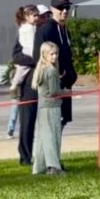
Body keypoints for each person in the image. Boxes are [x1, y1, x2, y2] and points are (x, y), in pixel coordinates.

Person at [35, 0, 77, 127]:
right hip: (52, 85)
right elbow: (38, 56)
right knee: (53, 123)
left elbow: (67, 55)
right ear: (52, 9)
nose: (64, 11)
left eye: (67, 8)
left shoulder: (65, 30)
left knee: (62, 120)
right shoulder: (46, 29)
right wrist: (53, 75)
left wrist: (71, 74)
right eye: (60, 8)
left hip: (65, 84)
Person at [31, 41, 66, 176]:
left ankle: (39, 167)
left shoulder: (41, 69)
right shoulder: (51, 70)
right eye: (52, 54)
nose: (55, 56)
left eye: (56, 53)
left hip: (42, 108)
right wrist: (67, 92)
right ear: (44, 55)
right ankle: (54, 167)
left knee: (42, 138)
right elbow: (54, 91)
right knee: (52, 138)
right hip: (52, 108)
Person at [6, 5, 39, 139]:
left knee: (22, 71)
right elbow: (30, 45)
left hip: (27, 57)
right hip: (27, 55)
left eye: (37, 15)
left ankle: (15, 86)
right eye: (34, 15)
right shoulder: (27, 28)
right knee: (21, 71)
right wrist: (35, 58)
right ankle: (14, 85)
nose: (36, 18)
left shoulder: (30, 27)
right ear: (26, 16)